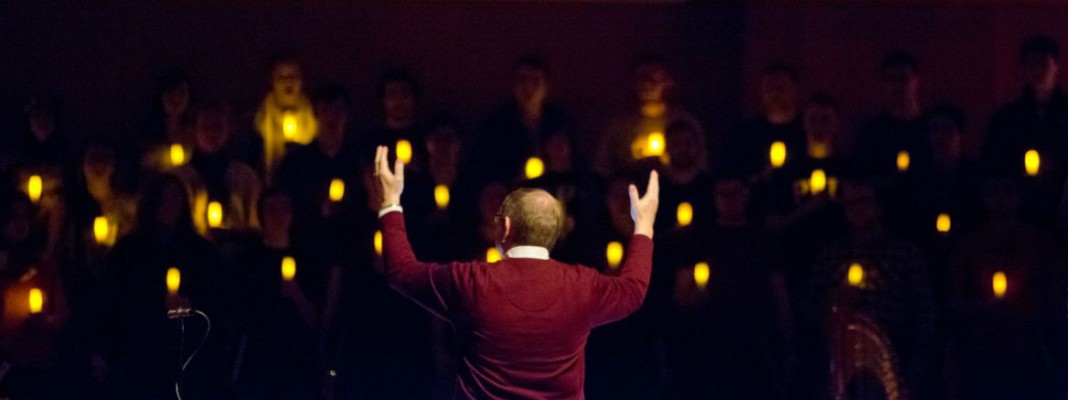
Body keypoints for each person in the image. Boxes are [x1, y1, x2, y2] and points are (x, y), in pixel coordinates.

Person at [372, 145, 659, 398]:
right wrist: (644, 225)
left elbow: (401, 271)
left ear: (506, 227)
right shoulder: (581, 285)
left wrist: (390, 202)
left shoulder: (471, 282)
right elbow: (634, 290)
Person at [983, 36, 1068, 229]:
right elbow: (994, 165)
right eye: (1032, 64)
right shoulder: (1007, 118)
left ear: (1056, 66)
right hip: (1019, 215)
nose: (1037, 71)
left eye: (1043, 64)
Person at [467, 56, 574, 185]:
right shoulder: (497, 126)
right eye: (522, 80)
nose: (528, 87)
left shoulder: (559, 125)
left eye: (535, 81)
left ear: (546, 87)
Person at [594, 57, 703, 178]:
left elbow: (701, 164)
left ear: (668, 82)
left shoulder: (685, 121)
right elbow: (602, 167)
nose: (647, 84)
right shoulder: (618, 127)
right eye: (641, 78)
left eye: (654, 78)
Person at [173, 102, 263, 236]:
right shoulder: (180, 178)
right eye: (205, 127)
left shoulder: (245, 176)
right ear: (194, 131)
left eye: (218, 127)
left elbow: (255, 223)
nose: (211, 133)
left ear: (228, 131)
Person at [853, 52, 927, 178]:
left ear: (916, 81)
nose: (897, 86)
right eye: (891, 79)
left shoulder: (930, 128)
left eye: (903, 79)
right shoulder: (872, 130)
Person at [726, 62, 806, 176]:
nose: (775, 93)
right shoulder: (747, 134)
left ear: (795, 90)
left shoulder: (807, 130)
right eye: (769, 87)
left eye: (781, 87)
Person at [253, 54, 317, 183]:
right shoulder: (260, 119)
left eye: (293, 76)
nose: (288, 81)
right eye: (282, 77)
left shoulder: (314, 117)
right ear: (272, 81)